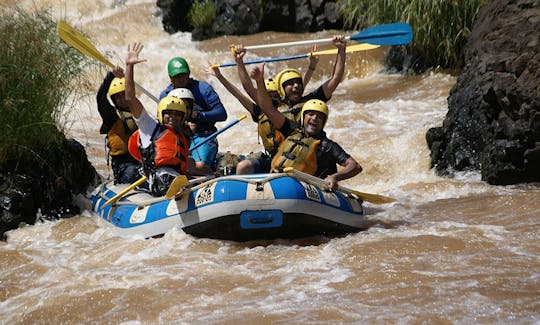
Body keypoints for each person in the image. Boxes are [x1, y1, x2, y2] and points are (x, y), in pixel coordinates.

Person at [251, 63, 362, 190]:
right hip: (282, 185)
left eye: (319, 116)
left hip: (309, 192)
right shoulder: (292, 131)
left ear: (324, 121)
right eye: (310, 114)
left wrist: (335, 177)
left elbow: (355, 166)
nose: (314, 118)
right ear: (303, 118)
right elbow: (268, 108)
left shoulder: (327, 146)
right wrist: (260, 81)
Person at [124, 42, 191, 196]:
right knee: (167, 179)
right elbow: (130, 98)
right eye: (169, 113)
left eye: (177, 114)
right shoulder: (150, 128)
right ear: (161, 114)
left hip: (178, 178)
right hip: (159, 179)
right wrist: (129, 66)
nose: (173, 117)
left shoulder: (182, 136)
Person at [160, 56, 227, 173]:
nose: (180, 79)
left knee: (199, 166)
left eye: (183, 75)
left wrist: (198, 116)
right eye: (177, 76)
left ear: (189, 73)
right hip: (178, 138)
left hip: (204, 136)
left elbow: (222, 114)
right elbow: (161, 124)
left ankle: (209, 174)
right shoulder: (165, 95)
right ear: (171, 78)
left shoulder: (203, 89)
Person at [273, 35, 347, 123]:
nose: (296, 85)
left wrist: (341, 50)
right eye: (290, 83)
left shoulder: (310, 102)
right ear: (281, 89)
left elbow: (335, 78)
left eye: (298, 82)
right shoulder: (273, 107)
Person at [96, 66, 141, 184]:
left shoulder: (139, 112)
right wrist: (110, 76)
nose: (122, 99)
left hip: (141, 160)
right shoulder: (111, 115)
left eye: (124, 94)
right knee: (133, 173)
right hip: (124, 165)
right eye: (118, 97)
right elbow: (100, 98)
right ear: (114, 100)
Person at [167, 88, 213, 175]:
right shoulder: (166, 127)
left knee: (204, 169)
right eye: (181, 106)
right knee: (197, 165)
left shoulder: (186, 128)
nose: (184, 110)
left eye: (187, 107)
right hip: (167, 169)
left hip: (180, 167)